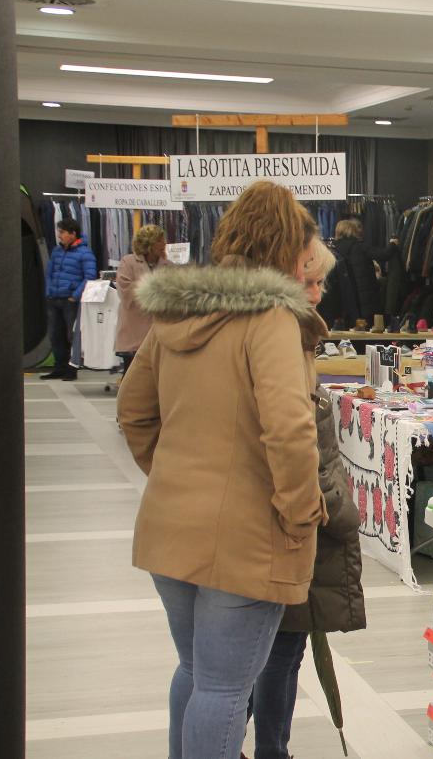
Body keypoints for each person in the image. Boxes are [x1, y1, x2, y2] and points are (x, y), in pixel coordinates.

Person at [117, 181, 327, 759]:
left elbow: (133, 411)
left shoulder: (177, 312)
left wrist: (172, 475)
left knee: (195, 673)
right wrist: (300, 511)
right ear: (290, 250)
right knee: (224, 687)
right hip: (245, 537)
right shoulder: (271, 319)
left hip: (170, 527)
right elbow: (289, 428)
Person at [248, 240, 366, 759]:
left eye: (322, 283)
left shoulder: (263, 333)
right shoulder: (279, 343)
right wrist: (329, 509)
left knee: (236, 660)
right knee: (274, 650)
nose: (318, 294)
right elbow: (297, 444)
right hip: (283, 524)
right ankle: (270, 750)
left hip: (264, 520)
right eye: (310, 281)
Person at [42, 217, 97, 380]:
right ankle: (59, 367)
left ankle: (71, 369)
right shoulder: (57, 251)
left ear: (73, 234)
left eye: (62, 232)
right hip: (54, 299)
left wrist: (75, 296)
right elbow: (49, 273)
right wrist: (49, 291)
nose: (59, 235)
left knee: (71, 334)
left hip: (70, 301)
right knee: (54, 334)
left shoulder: (85, 253)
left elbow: (90, 276)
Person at [113, 224, 170, 372]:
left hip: (158, 328)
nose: (164, 243)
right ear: (149, 243)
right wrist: (153, 287)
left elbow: (173, 291)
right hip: (134, 327)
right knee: (131, 373)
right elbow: (125, 289)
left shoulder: (168, 265)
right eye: (160, 240)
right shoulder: (128, 262)